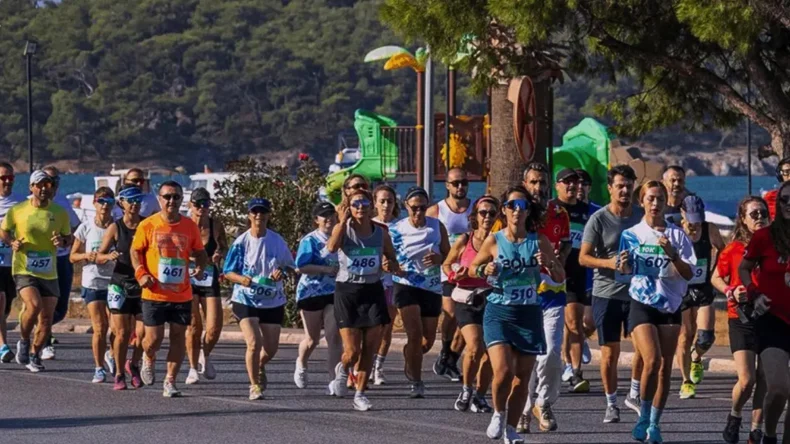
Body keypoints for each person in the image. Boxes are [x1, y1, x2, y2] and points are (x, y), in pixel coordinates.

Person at [469, 185, 564, 444]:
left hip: (529, 314)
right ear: (504, 210)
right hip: (499, 312)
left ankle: (511, 430)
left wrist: (549, 263)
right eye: (512, 206)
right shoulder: (494, 240)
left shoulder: (539, 241)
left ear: (528, 211)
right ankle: (498, 414)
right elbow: (473, 268)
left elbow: (559, 277)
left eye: (522, 206)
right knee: (503, 371)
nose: (517, 211)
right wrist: (485, 270)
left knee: (522, 378)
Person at [617, 180, 695, 443]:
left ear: (666, 202)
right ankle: (642, 416)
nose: (655, 203)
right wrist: (623, 266)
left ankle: (654, 423)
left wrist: (672, 254)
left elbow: (689, 273)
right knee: (652, 360)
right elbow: (624, 272)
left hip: (670, 304)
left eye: (660, 199)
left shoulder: (677, 236)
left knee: (664, 368)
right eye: (650, 198)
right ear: (641, 202)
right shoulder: (631, 234)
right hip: (641, 302)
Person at [579, 165, 645, 424]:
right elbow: (584, 257)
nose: (625, 190)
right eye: (620, 186)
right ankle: (611, 403)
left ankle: (634, 393)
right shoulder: (598, 219)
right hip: (606, 293)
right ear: (610, 188)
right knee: (610, 353)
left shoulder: (641, 216)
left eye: (629, 185)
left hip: (638, 293)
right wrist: (610, 263)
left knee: (644, 348)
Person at [131, 181, 209, 397]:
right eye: (167, 197)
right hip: (154, 292)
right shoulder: (148, 225)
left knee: (178, 337)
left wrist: (201, 266)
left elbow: (200, 251)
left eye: (176, 197)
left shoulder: (189, 226)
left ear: (182, 200)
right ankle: (148, 357)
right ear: (159, 199)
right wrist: (141, 273)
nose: (171, 201)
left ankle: (170, 380)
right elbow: (135, 251)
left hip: (181, 293)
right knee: (153, 340)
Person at [326, 187, 400, 411]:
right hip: (348, 291)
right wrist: (341, 221)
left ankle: (360, 393)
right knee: (352, 352)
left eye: (364, 204)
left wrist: (389, 264)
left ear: (371, 207)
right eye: (355, 204)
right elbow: (331, 248)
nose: (360, 208)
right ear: (349, 207)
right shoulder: (343, 229)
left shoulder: (381, 232)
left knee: (370, 347)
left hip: (373, 290)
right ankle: (342, 369)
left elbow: (392, 259)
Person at [223, 198, 296, 400]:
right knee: (254, 343)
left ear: (268, 215)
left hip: (272, 299)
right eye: (255, 212)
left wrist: (281, 272)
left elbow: (290, 266)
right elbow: (228, 271)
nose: (259, 216)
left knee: (271, 348)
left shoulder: (277, 241)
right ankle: (254, 385)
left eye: (262, 212)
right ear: (249, 215)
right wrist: (242, 279)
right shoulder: (241, 243)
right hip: (245, 299)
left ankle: (260, 365)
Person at [516, 162, 570, 434]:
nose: (538, 187)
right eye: (533, 182)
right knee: (526, 356)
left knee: (550, 353)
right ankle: (524, 409)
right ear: (525, 184)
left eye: (542, 182)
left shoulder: (559, 213)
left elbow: (567, 243)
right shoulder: (516, 213)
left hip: (553, 293)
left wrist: (558, 259)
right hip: (523, 295)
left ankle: (544, 401)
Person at [0, 170, 72, 372]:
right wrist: (12, 242)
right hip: (24, 268)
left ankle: (34, 354)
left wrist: (62, 241)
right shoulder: (18, 210)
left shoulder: (59, 212)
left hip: (49, 271)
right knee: (33, 305)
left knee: (47, 319)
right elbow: (4, 230)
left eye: (47, 185)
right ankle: (24, 340)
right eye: (39, 185)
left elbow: (69, 237)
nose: (43, 189)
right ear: (31, 187)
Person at [738, 181, 790, 444]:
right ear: (777, 205)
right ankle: (769, 434)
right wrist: (753, 293)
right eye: (784, 200)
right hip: (773, 319)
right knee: (779, 388)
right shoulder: (764, 237)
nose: (789, 205)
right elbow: (744, 268)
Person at [713, 196, 768, 444]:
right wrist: (730, 292)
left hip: (770, 317)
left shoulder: (777, 247)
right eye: (754, 214)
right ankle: (735, 415)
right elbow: (716, 277)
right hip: (741, 317)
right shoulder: (733, 249)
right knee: (747, 380)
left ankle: (756, 430)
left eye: (763, 213)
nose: (760, 218)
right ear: (743, 219)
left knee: (765, 378)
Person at [390, 186, 450, 398]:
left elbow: (448, 254)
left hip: (431, 287)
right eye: (414, 208)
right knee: (414, 335)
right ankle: (416, 382)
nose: (418, 212)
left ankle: (410, 354)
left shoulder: (436, 226)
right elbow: (386, 257)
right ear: (406, 206)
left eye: (422, 208)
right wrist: (392, 266)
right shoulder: (396, 230)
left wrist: (439, 259)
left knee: (427, 341)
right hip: (406, 284)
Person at [442, 195, 497, 414]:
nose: (487, 217)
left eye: (492, 213)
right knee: (474, 346)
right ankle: (466, 389)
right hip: (466, 298)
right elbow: (447, 264)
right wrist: (454, 274)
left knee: (491, 352)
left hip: (492, 298)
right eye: (483, 212)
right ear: (475, 216)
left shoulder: (499, 241)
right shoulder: (465, 239)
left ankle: (480, 396)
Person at [674, 195, 724, 400]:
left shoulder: (709, 228)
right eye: (691, 219)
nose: (695, 224)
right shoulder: (676, 230)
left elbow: (722, 249)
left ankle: (696, 357)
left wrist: (714, 271)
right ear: (683, 213)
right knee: (685, 336)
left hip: (703, 286)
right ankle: (686, 381)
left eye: (698, 219)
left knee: (705, 337)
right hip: (681, 288)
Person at [97, 185, 146, 390]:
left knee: (144, 333)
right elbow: (99, 255)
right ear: (121, 203)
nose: (135, 204)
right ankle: (118, 373)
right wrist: (109, 256)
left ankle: (133, 364)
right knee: (122, 332)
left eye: (138, 200)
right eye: (130, 200)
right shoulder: (115, 228)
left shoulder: (147, 224)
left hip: (143, 284)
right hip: (120, 284)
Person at [552, 168, 595, 395]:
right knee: (558, 325)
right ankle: (559, 363)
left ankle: (576, 371)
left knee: (575, 323)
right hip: (550, 274)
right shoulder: (550, 210)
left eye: (575, 182)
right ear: (557, 185)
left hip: (577, 274)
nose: (571, 186)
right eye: (566, 182)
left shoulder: (587, 211)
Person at [427, 168, 471, 381]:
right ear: (447, 185)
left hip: (471, 271)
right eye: (455, 183)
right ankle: (445, 352)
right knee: (451, 314)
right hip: (447, 271)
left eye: (464, 182)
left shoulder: (477, 208)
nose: (460, 187)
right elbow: (422, 237)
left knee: (466, 320)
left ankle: (451, 359)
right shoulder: (437, 210)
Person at [293, 201, 342, 390]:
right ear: (316, 220)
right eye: (324, 216)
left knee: (333, 337)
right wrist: (325, 269)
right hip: (311, 292)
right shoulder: (310, 240)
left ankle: (334, 380)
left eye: (331, 215)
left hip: (334, 291)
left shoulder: (341, 237)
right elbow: (301, 266)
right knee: (312, 339)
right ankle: (302, 363)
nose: (329, 219)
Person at [70, 187, 117, 383]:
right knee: (100, 327)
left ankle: (112, 354)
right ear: (94, 203)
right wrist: (86, 255)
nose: (104, 205)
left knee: (117, 328)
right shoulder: (86, 227)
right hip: (93, 281)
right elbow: (72, 256)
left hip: (115, 282)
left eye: (109, 202)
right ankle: (99, 368)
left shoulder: (117, 226)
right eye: (101, 201)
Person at [184, 188, 228, 385]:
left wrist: (219, 254)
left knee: (214, 327)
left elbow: (224, 246)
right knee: (194, 326)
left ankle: (205, 354)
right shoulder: (184, 224)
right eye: (198, 204)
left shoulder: (215, 224)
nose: (202, 207)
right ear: (190, 205)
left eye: (206, 204)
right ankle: (193, 368)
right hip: (189, 277)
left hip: (209, 276)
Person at [41, 166, 82, 361]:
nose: (52, 185)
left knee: (61, 308)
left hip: (62, 258)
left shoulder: (62, 202)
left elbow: (76, 227)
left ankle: (40, 326)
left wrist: (68, 241)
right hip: (41, 260)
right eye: (48, 180)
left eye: (56, 181)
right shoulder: (29, 203)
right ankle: (44, 339)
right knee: (46, 302)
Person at [371, 184, 401, 385]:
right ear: (375, 203)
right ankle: (365, 364)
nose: (386, 205)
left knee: (387, 327)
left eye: (389, 201)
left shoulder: (400, 227)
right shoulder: (368, 225)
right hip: (372, 282)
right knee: (372, 326)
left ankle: (378, 367)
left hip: (393, 282)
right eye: (382, 201)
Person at [0, 162, 24, 362]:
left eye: (10, 178)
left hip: (14, 262)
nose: (7, 181)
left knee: (6, 306)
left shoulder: (21, 202)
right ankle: (3, 346)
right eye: (3, 178)